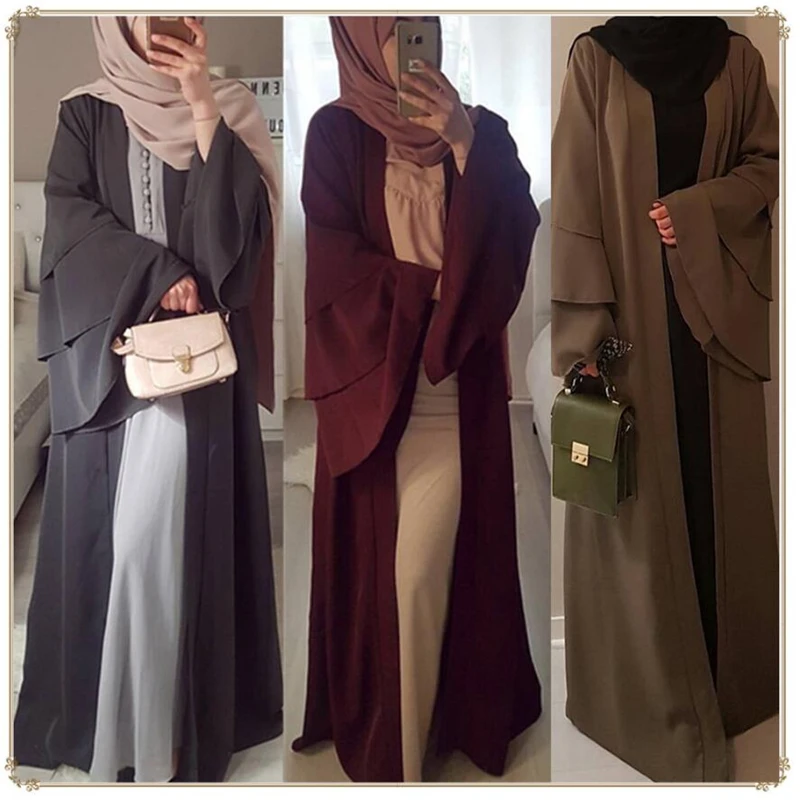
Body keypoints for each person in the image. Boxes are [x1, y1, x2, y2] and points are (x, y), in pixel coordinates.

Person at [14, 16, 283, 783]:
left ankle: (169, 732)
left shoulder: (229, 107)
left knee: (166, 546)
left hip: (198, 370)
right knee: (123, 549)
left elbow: (237, 246)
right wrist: (156, 273)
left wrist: (200, 102)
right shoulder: (84, 112)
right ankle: (117, 730)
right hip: (113, 361)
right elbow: (68, 227)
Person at [291, 15, 542, 783]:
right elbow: (333, 271)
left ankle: (403, 760)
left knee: (418, 573)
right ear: (360, 34)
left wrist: (466, 144)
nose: (410, 37)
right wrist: (435, 293)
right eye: (393, 25)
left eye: (423, 22)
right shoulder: (334, 134)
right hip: (369, 399)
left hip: (450, 400)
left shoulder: (484, 134)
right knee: (370, 573)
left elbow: (511, 245)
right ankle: (391, 727)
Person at [551, 16, 779, 781]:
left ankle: (731, 689)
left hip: (714, 326)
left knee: (721, 506)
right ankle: (648, 704)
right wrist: (586, 347)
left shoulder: (736, 59)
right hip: (631, 337)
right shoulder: (596, 60)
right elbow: (577, 206)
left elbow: (768, 166)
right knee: (639, 508)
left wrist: (697, 208)